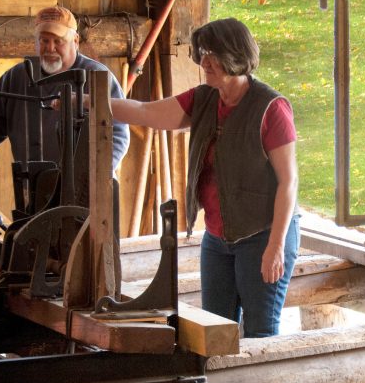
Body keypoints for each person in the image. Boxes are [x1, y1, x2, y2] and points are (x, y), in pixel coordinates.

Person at [109, 18, 299, 338]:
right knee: (215, 331)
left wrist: (276, 247)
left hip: (262, 237)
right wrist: (90, 104)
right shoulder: (204, 99)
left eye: (211, 54)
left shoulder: (271, 108)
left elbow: (288, 183)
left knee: (260, 331)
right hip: (217, 238)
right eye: (202, 53)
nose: (203, 62)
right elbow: (144, 111)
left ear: (235, 55)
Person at [0, 6, 130, 175]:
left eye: (58, 41)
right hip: (33, 189)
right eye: (44, 40)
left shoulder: (98, 78)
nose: (50, 48)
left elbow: (118, 135)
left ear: (75, 41)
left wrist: (92, 176)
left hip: (87, 193)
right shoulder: (17, 77)